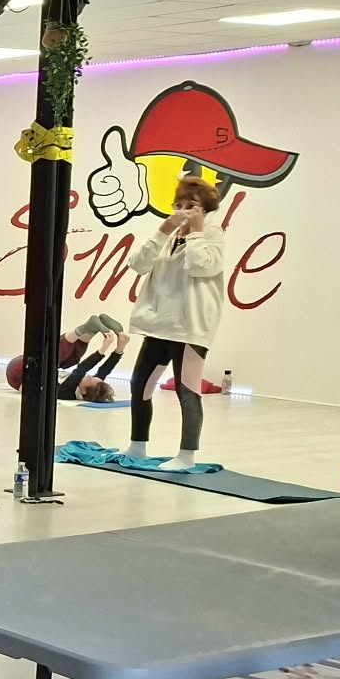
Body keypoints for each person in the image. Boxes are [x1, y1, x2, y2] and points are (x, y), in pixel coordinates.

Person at [128, 177, 226, 468]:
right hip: (158, 324)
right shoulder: (169, 237)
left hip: (190, 327)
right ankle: (137, 447)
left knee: (187, 390)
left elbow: (200, 266)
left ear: (205, 209)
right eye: (179, 205)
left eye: (191, 206)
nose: (183, 211)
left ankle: (186, 456)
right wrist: (163, 230)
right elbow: (138, 265)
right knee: (140, 385)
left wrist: (195, 231)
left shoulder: (213, 234)